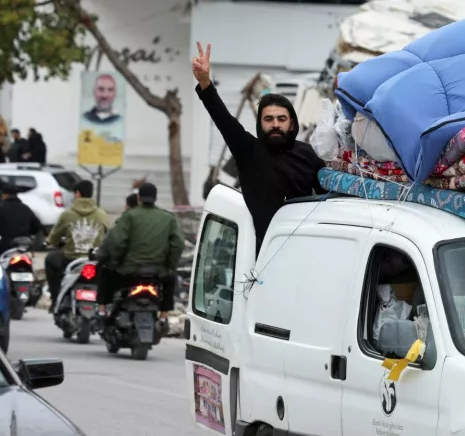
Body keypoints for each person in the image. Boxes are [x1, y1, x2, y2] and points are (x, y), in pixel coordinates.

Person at [192, 42, 324, 254]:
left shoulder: (307, 154)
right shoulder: (249, 151)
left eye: (281, 119)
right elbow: (224, 120)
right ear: (260, 123)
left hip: (303, 250)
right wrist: (206, 85)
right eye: (268, 119)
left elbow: (326, 199)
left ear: (291, 123)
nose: (275, 124)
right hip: (258, 253)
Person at [98, 183, 183, 317]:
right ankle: (164, 315)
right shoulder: (168, 218)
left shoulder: (129, 216)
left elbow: (117, 242)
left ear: (139, 197)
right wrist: (169, 265)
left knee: (105, 273)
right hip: (158, 271)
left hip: (129, 270)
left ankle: (102, 311)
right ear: (155, 197)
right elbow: (178, 244)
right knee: (170, 280)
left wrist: (115, 262)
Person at [45, 180, 112, 310]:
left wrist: (52, 242)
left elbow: (53, 238)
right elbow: (110, 236)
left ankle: (55, 299)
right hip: (94, 260)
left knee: (50, 260)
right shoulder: (102, 214)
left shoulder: (67, 214)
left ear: (77, 194)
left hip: (71, 260)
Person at [0, 183, 43, 254]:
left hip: (6, 244)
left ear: (4, 195)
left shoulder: (2, 208)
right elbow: (36, 226)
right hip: (25, 242)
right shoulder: (25, 208)